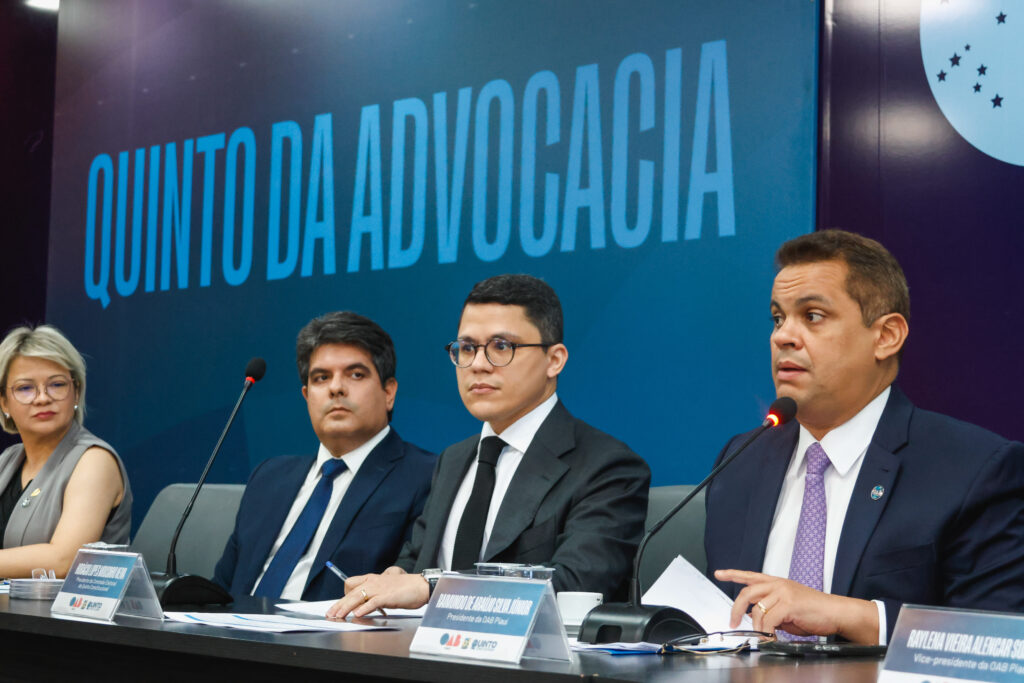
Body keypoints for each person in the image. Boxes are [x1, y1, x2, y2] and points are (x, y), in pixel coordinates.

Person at [705, 229, 1024, 644]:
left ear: (886, 336)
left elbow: (1000, 640)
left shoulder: (972, 470)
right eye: (778, 318)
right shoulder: (740, 462)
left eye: (812, 316)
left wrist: (849, 615)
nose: (782, 336)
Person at [326, 274, 650, 619]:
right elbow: (418, 563)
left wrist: (432, 587)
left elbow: (574, 587)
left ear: (554, 360)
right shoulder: (454, 459)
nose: (478, 365)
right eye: (467, 349)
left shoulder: (608, 467)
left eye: (501, 347)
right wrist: (396, 576)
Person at [213, 312, 435, 601]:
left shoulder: (428, 477)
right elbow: (220, 589)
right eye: (321, 378)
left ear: (389, 392)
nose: (336, 388)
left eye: (356, 374)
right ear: (307, 396)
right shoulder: (268, 477)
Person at [0, 324, 131, 578]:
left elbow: (64, 560)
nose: (42, 398)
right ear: (4, 402)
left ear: (76, 392)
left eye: (57, 385)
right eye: (25, 388)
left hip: (67, 605)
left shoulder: (95, 461)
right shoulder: (8, 461)